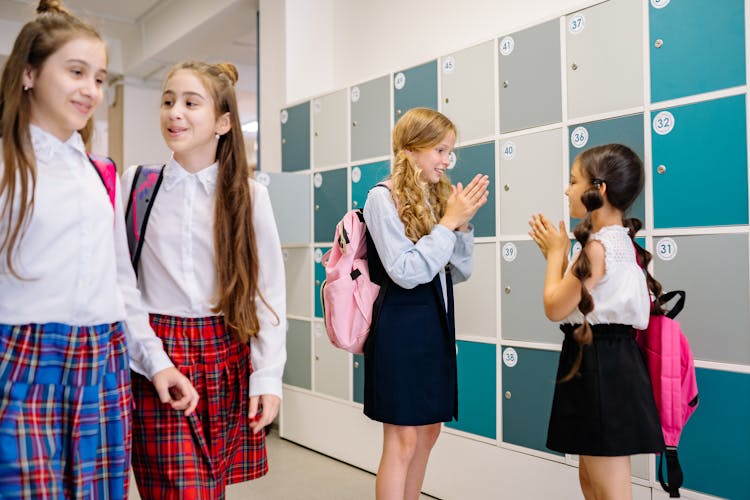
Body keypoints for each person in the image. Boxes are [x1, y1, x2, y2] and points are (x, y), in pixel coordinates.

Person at [0, 1, 199, 498]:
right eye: (75, 72)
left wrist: (155, 362)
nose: (90, 90)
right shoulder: (8, 164)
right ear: (28, 73)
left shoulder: (96, 173)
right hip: (25, 359)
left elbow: (119, 281)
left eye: (99, 77)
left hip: (102, 362)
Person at [122, 60, 286, 498]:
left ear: (223, 122)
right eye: (168, 101)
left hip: (225, 352)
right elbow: (123, 286)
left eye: (191, 103)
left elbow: (267, 291)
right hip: (156, 353)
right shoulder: (136, 185)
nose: (175, 112)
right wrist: (153, 355)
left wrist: (268, 378)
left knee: (208, 489)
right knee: (177, 489)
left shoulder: (250, 196)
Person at [362, 107, 489, 500]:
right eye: (439, 150)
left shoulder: (434, 198)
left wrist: (462, 226)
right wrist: (448, 224)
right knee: (401, 439)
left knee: (429, 433)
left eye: (450, 152)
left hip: (435, 325)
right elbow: (405, 270)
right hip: (400, 330)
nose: (447, 161)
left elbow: (457, 271)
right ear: (411, 149)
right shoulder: (380, 198)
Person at [528, 143, 664, 499]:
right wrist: (559, 256)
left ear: (598, 190)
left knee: (608, 488)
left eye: (573, 181)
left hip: (603, 365)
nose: (567, 190)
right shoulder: (616, 241)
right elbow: (572, 300)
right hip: (602, 359)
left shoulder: (597, 248)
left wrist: (555, 254)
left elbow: (555, 307)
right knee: (593, 482)